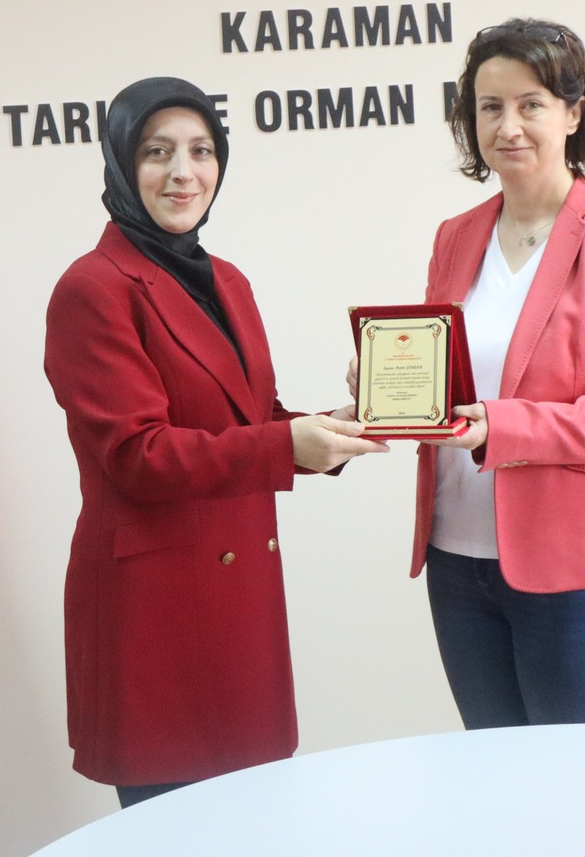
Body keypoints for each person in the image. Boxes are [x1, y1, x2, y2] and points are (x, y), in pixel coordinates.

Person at [44, 77, 386, 808]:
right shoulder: (93, 288)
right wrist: (287, 446)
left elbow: (252, 416)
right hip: (156, 614)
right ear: (122, 163)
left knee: (256, 825)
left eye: (201, 151)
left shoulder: (226, 279)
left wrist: (339, 422)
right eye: (157, 152)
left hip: (239, 605)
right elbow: (138, 455)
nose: (183, 172)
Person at [414, 19, 585, 728]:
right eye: (489, 107)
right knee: (496, 781)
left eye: (531, 104)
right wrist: (389, 382)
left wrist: (500, 426)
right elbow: (453, 374)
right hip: (457, 560)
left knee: (577, 787)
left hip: (580, 570)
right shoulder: (456, 236)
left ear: (573, 113)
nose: (508, 126)